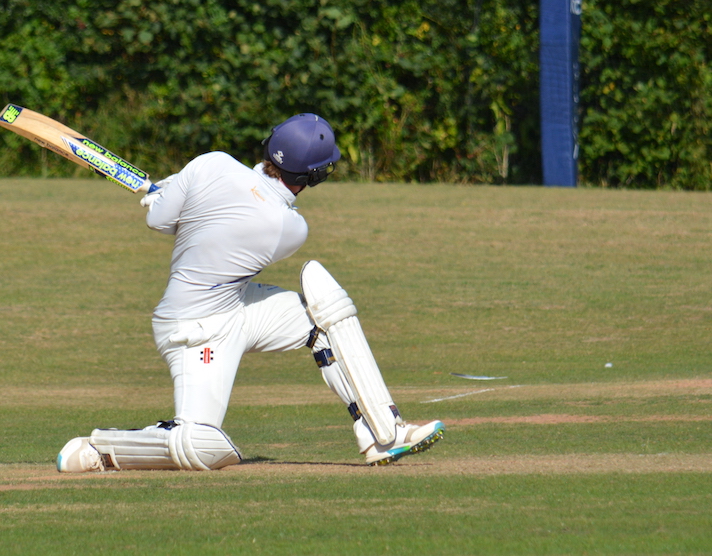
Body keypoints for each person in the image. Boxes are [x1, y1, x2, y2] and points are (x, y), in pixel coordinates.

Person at [56, 114, 444, 472]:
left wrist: (170, 194)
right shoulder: (289, 228)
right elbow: (225, 220)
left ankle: (383, 432)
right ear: (315, 176)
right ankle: (98, 451)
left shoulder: (211, 163)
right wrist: (182, 197)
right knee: (201, 445)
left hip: (239, 306)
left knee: (325, 316)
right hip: (197, 330)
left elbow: (160, 222)